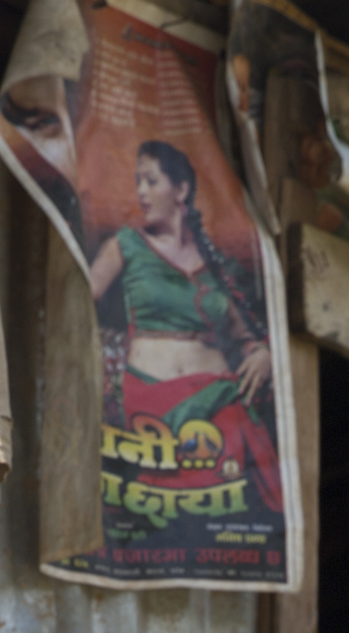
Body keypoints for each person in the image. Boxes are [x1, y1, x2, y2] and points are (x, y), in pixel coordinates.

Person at [86, 138, 282, 512]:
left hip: (222, 398)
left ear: (182, 190)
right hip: (151, 404)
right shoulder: (126, 245)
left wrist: (261, 354)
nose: (141, 192)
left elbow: (244, 335)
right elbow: (80, 301)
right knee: (158, 512)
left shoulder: (215, 263)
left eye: (151, 181)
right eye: (137, 182)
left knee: (232, 511)